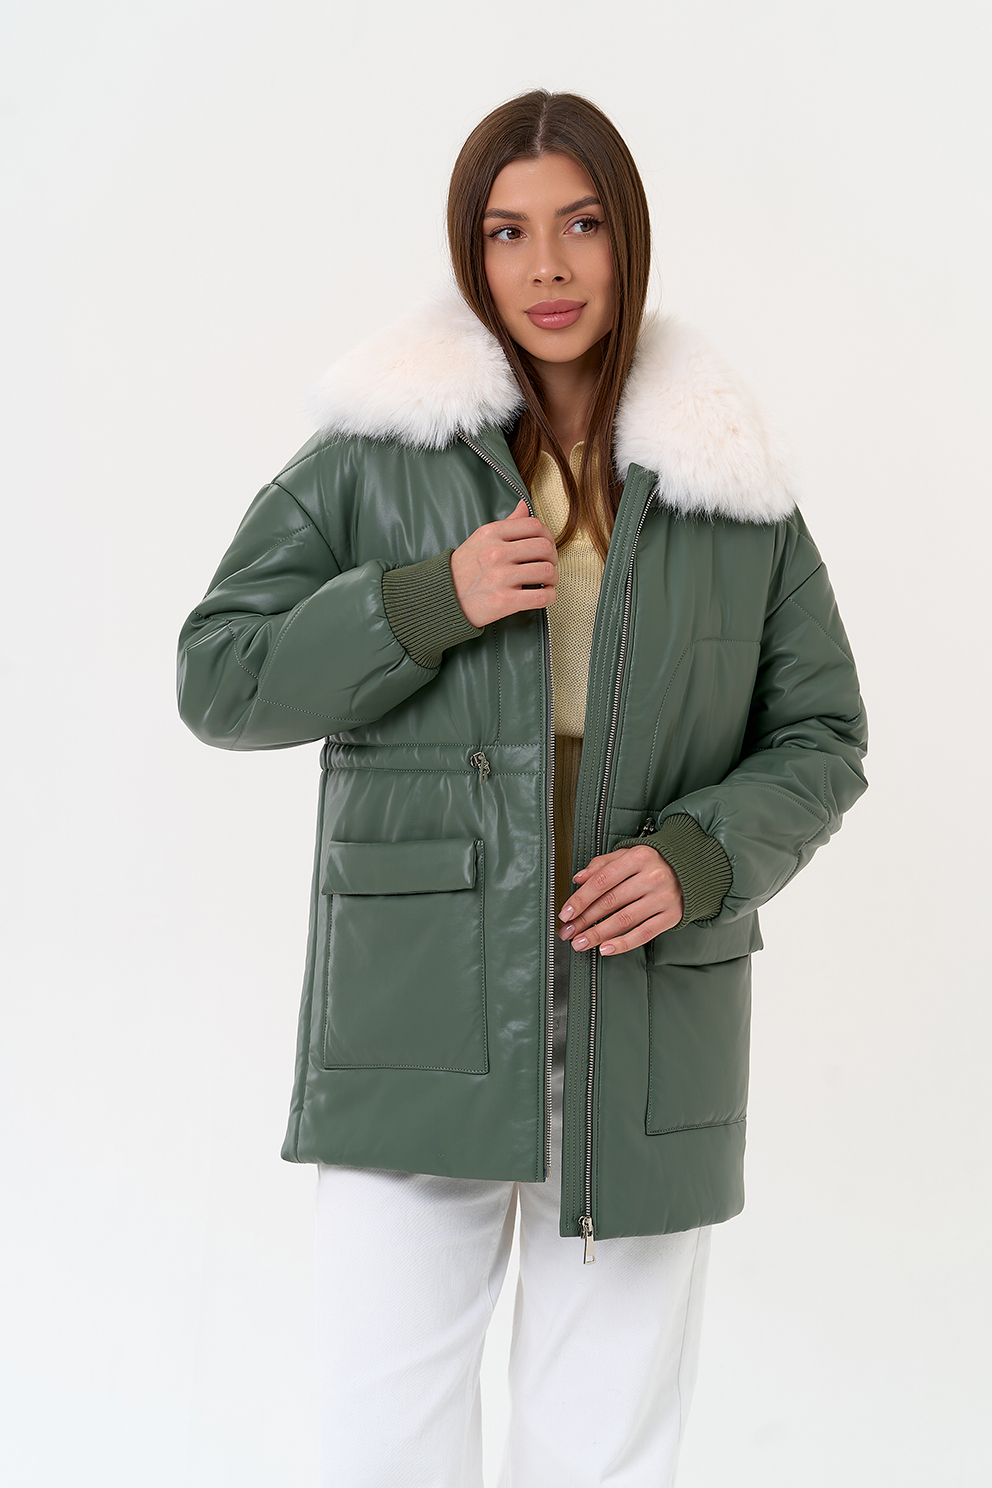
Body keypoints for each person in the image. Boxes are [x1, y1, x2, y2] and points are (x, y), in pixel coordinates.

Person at [177, 90, 867, 1488]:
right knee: (384, 1446)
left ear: (629, 240)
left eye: (581, 224)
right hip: (417, 1010)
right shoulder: (381, 454)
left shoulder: (729, 483)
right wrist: (426, 600)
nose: (546, 267)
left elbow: (823, 734)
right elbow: (220, 675)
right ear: (470, 250)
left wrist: (698, 855)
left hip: (647, 1017)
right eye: (507, 232)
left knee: (604, 1454)